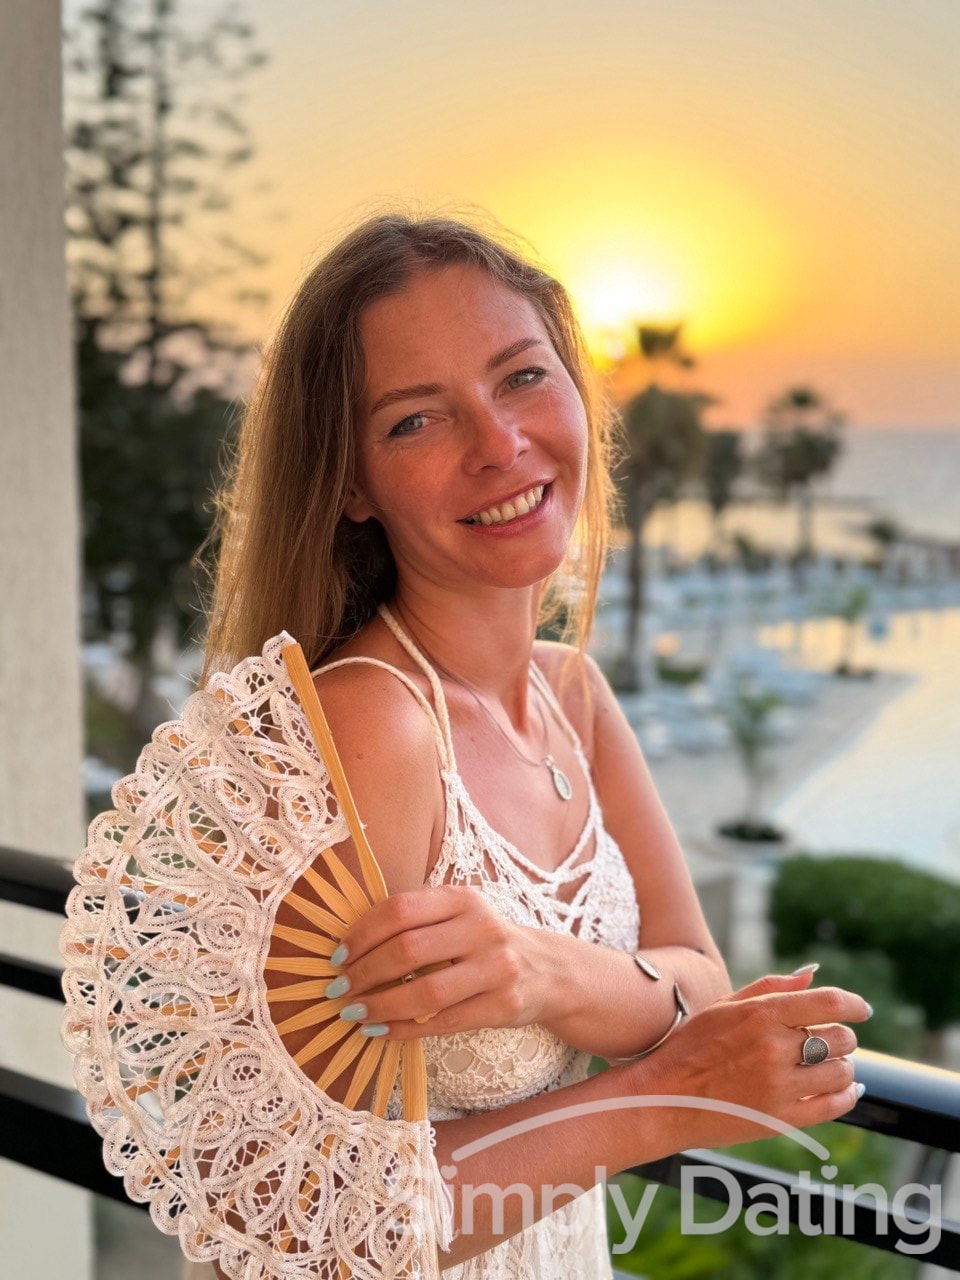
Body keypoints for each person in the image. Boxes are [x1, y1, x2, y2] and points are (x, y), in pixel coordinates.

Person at [191, 208, 871, 1278]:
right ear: (352, 483)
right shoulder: (371, 727)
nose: (500, 444)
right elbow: (291, 1215)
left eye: (520, 377)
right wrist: (658, 1097)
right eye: (417, 420)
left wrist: (550, 975)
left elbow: (701, 976)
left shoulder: (573, 694)